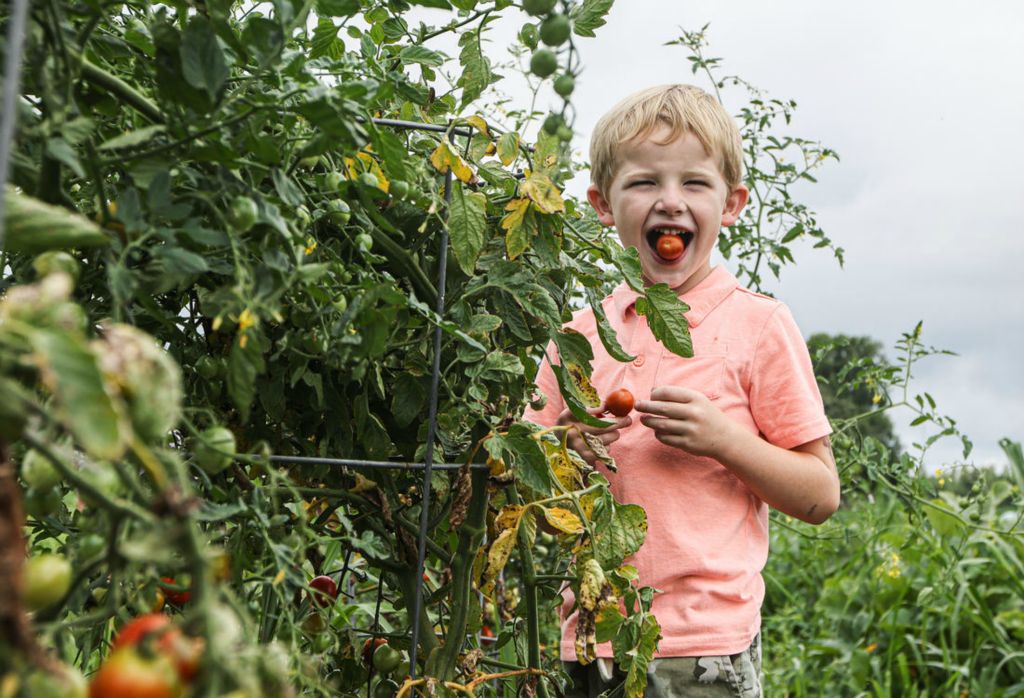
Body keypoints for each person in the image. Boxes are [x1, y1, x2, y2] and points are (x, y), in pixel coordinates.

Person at [523, 84, 840, 697]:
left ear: (732, 204)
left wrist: (725, 441)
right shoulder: (579, 335)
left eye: (694, 183)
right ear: (602, 204)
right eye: (644, 183)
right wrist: (570, 443)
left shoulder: (758, 326)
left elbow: (820, 496)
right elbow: (521, 470)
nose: (670, 202)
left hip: (703, 653)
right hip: (593, 639)